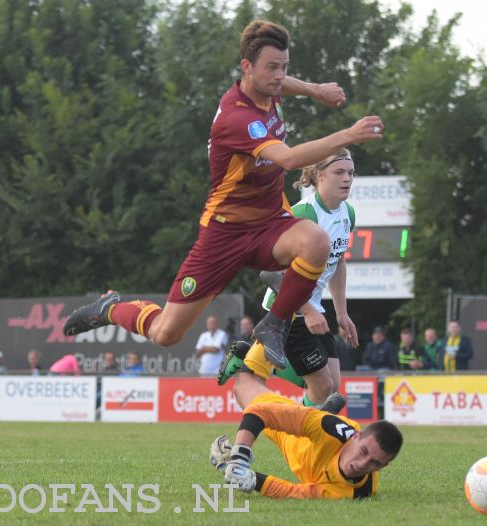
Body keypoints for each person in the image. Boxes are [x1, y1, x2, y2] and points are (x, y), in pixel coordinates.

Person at [62, 19, 383, 372]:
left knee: (317, 242)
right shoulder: (237, 118)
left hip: (269, 223)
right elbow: (289, 159)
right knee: (166, 333)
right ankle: (111, 307)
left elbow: (281, 85)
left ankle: (273, 324)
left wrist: (314, 89)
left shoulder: (265, 87)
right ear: (247, 68)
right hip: (224, 233)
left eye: (283, 67)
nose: (278, 76)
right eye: (271, 68)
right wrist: (347, 136)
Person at [218, 149, 360, 410]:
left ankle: (248, 357)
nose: (347, 179)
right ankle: (300, 438)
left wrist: (342, 313)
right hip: (287, 307)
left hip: (312, 307)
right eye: (339, 172)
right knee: (322, 387)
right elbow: (274, 273)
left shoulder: (347, 214)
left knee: (333, 384)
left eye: (350, 173)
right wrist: (306, 311)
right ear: (319, 176)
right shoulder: (303, 215)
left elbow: (338, 262)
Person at [209, 370, 402, 499]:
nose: (361, 464)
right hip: (293, 435)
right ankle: (246, 356)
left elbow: (295, 492)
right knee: (243, 385)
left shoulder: (357, 492)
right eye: (363, 451)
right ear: (356, 437)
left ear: (384, 466)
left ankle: (317, 409)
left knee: (318, 406)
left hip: (313, 439)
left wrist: (251, 479)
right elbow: (260, 412)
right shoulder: (328, 428)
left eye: (374, 464)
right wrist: (239, 458)